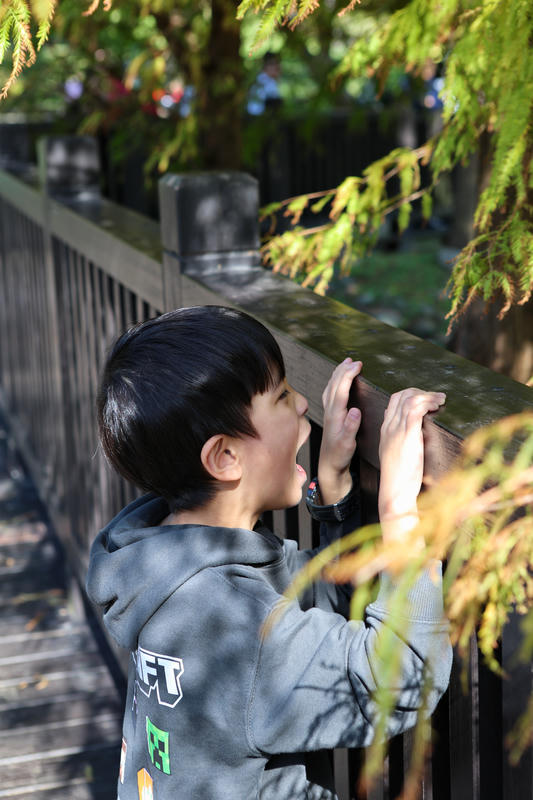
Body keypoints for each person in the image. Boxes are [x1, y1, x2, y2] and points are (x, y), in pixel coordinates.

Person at [87, 305, 452, 800]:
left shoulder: (170, 572)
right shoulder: (226, 624)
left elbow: (318, 610)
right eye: (281, 395)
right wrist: (400, 516)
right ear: (225, 456)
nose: (303, 404)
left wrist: (336, 493)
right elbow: (400, 681)